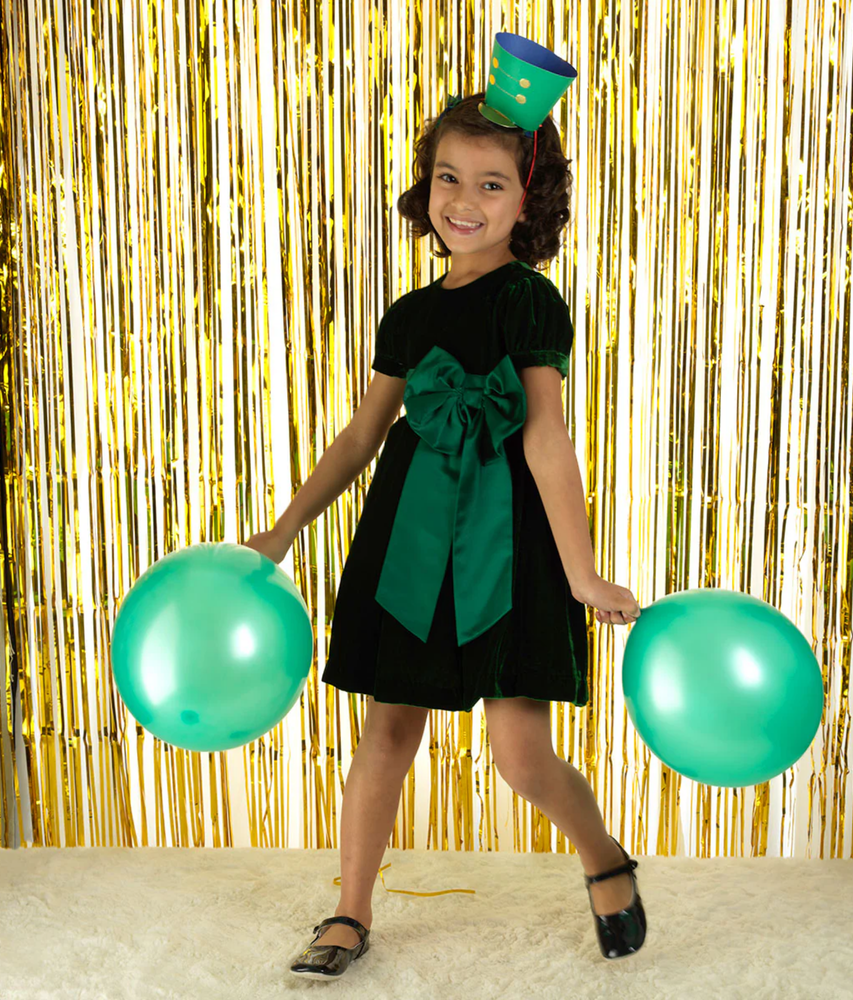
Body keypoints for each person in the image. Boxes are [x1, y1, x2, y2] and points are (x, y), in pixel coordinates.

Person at [245, 33, 646, 979]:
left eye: (492, 184)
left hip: (508, 548)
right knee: (386, 730)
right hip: (411, 541)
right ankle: (347, 912)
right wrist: (288, 525)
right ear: (425, 188)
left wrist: (583, 571)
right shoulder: (409, 315)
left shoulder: (530, 303)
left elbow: (545, 436)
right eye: (447, 179)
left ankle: (606, 859)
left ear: (529, 200)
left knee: (520, 758)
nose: (464, 202)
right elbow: (360, 439)